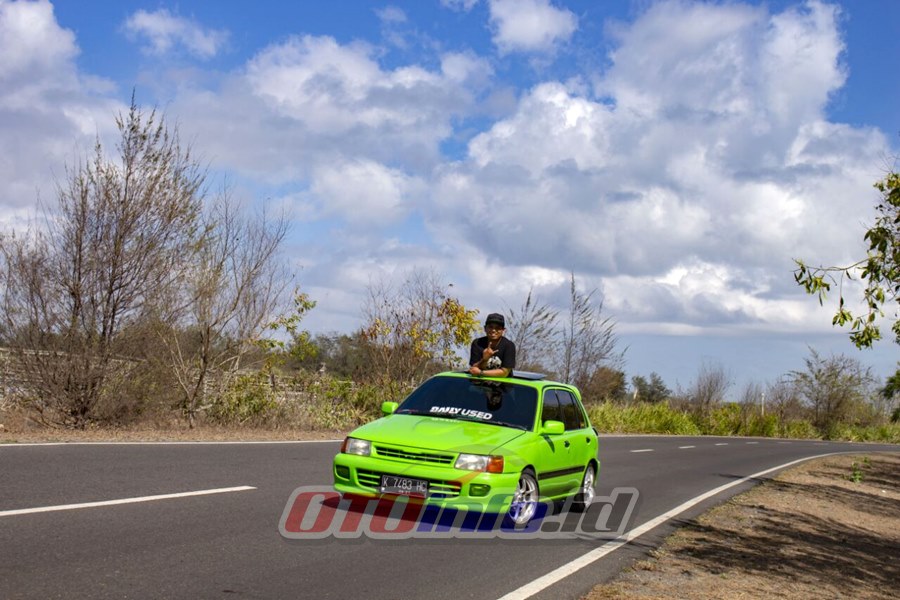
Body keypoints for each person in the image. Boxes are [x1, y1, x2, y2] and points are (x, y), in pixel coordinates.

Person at [469, 313, 516, 377]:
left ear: (503, 330)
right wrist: (484, 359)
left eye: (498, 328)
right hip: (478, 386)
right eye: (490, 327)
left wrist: (481, 373)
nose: (493, 330)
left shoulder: (509, 346)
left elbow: (504, 373)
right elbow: (473, 369)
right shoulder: (477, 343)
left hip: (503, 386)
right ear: (485, 328)